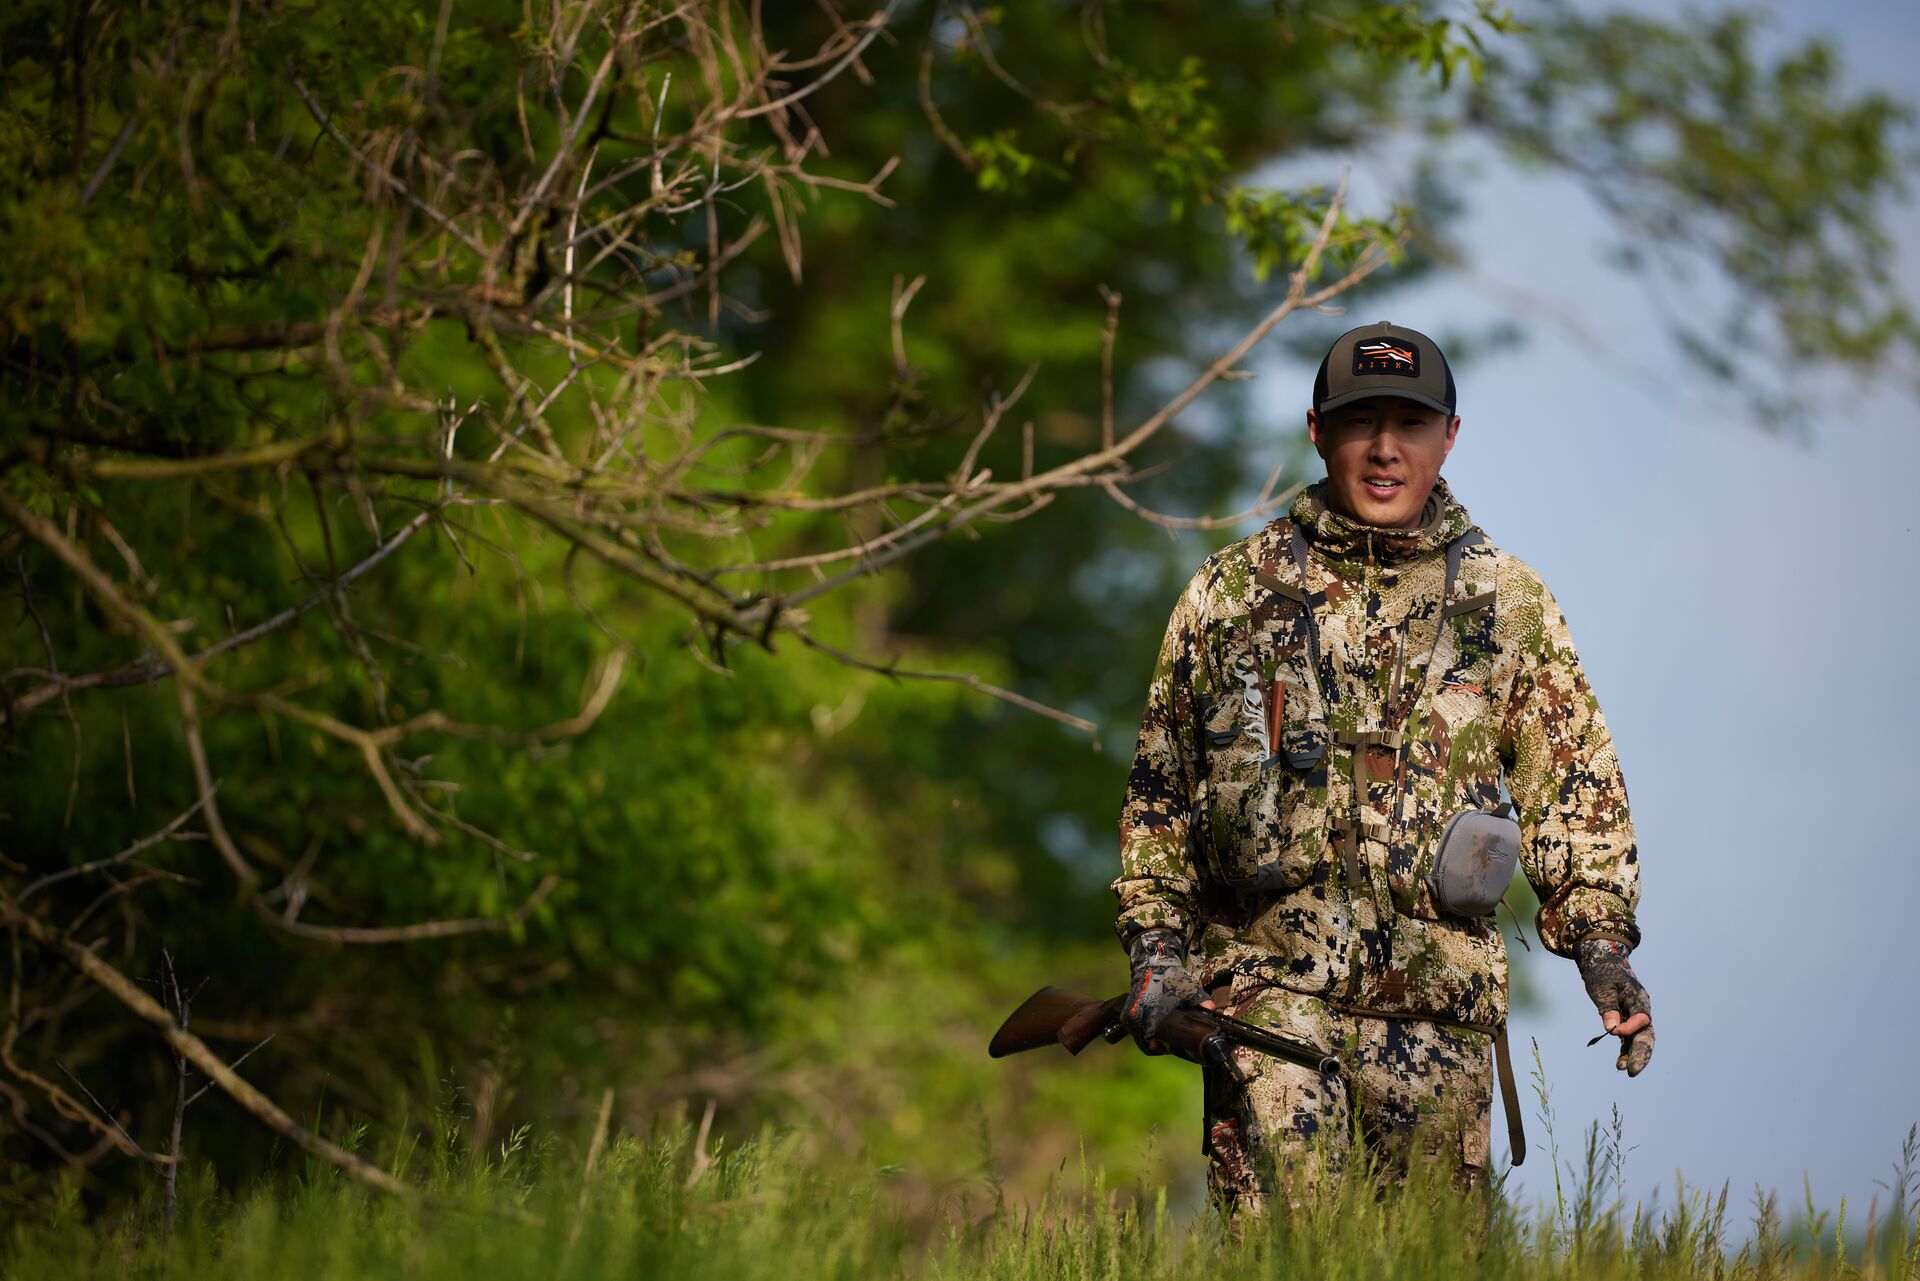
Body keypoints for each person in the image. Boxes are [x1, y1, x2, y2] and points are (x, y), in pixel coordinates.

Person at [1110, 321, 1653, 1214]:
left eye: (1411, 421)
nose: (1386, 448)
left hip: (1440, 1019)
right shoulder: (1231, 594)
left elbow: (1578, 789)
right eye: (1363, 421)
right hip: (1266, 1007)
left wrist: (1604, 952)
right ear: (1319, 430)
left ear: (1451, 434)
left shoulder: (1505, 603)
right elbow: (1160, 798)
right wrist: (1158, 954)